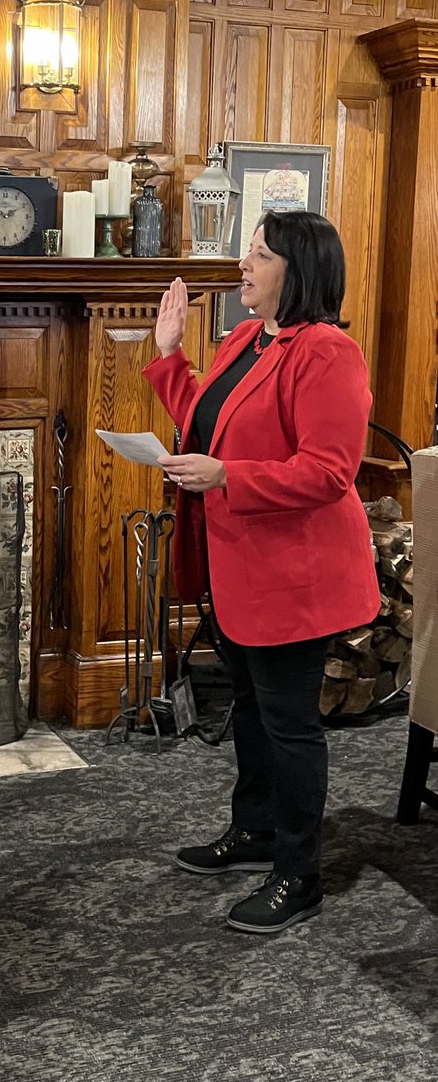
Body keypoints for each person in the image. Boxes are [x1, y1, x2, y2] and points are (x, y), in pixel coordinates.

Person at [144, 210, 379, 934]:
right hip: (235, 564)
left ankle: (298, 874)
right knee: (249, 709)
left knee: (290, 725)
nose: (244, 265)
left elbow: (329, 472)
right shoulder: (247, 338)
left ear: (297, 271)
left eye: (260, 255)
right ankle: (255, 831)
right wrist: (168, 357)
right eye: (248, 253)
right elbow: (204, 423)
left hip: (293, 576)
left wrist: (226, 476)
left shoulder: (327, 352)